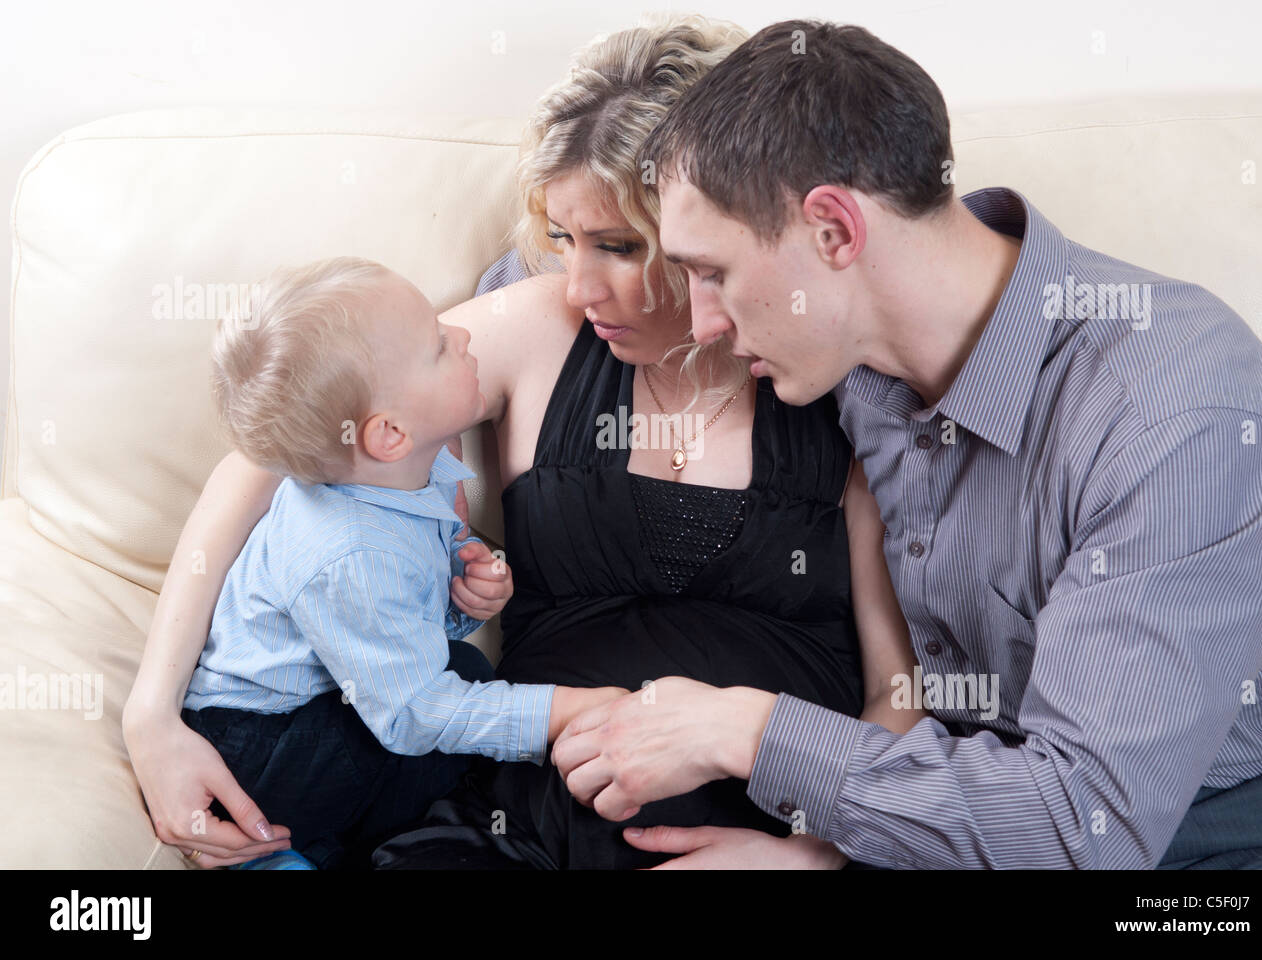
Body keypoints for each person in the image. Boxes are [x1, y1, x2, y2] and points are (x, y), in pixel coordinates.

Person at [122, 14, 927, 870]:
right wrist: (152, 717)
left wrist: (818, 853)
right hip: (519, 834)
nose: (579, 285)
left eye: (618, 246)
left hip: (753, 838)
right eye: (563, 242)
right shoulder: (541, 330)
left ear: (705, 228)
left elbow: (898, 692)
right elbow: (276, 448)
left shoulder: (829, 377)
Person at [551, 18, 1262, 869]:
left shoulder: (1174, 418)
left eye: (712, 272)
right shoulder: (848, 344)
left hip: (1201, 836)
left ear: (834, 231)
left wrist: (745, 731)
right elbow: (555, 294)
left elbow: (1081, 826)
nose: (701, 321)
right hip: (959, 812)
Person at [178, 257, 624, 868]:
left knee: (464, 666)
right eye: (440, 347)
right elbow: (412, 713)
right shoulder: (350, 551)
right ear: (388, 434)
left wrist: (461, 601)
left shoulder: (415, 466)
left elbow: (403, 629)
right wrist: (557, 709)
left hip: (329, 691)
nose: (465, 336)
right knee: (449, 733)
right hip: (257, 744)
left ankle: (332, 837)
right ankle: (282, 849)